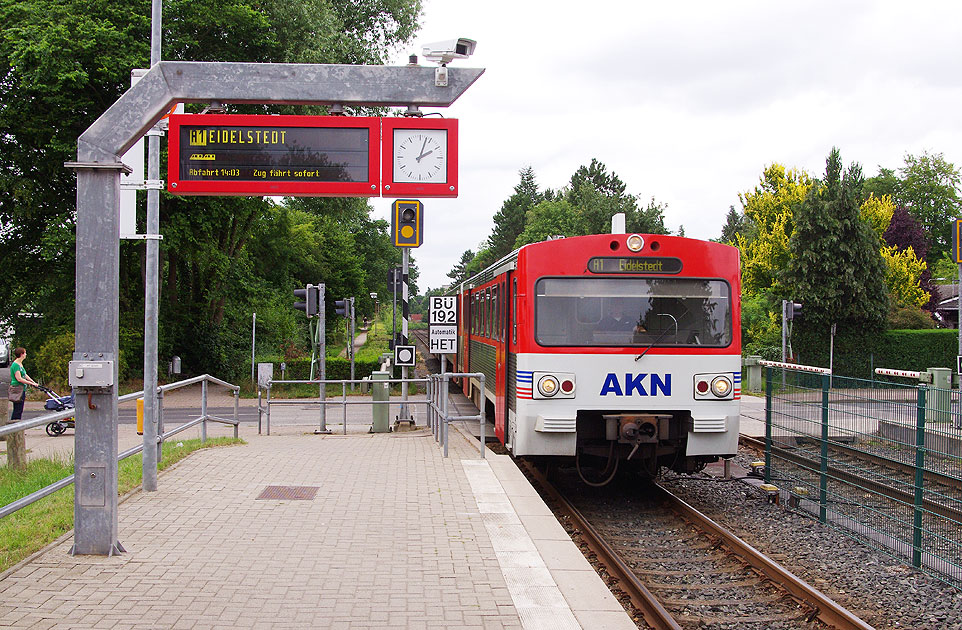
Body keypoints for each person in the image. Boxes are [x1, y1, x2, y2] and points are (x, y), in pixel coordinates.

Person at [9, 347, 39, 422]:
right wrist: (30, 383)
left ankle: (17, 426)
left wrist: (33, 382)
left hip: (22, 388)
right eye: (25, 353)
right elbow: (19, 378)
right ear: (21, 354)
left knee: (20, 409)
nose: (26, 354)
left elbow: (25, 375)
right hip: (17, 388)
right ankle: (14, 427)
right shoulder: (15, 365)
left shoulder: (20, 364)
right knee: (17, 409)